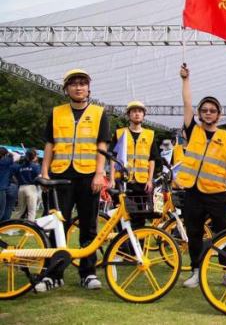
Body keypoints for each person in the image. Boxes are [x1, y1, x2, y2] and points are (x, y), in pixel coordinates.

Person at [39, 69, 110, 292]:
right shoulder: (56, 112)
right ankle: (52, 274)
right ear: (66, 88)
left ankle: (88, 273)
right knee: (57, 225)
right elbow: (50, 144)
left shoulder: (100, 113)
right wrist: (44, 172)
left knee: (88, 226)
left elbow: (102, 146)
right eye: (74, 84)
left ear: (89, 88)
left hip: (89, 177)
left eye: (83, 83)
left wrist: (100, 173)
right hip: (60, 175)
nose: (79, 87)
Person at [176, 63, 226, 289]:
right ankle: (196, 270)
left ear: (219, 115)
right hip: (193, 191)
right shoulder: (192, 130)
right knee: (193, 233)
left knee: (225, 232)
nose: (208, 113)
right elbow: (186, 104)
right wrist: (185, 80)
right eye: (204, 110)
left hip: (216, 192)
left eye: (212, 111)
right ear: (199, 114)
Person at [109, 101, 160, 229]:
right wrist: (111, 179)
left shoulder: (150, 135)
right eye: (134, 111)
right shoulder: (120, 133)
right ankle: (122, 247)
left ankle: (139, 246)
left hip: (142, 182)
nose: (137, 114)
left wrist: (150, 180)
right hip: (122, 181)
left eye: (140, 111)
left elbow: (152, 159)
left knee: (140, 217)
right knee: (122, 215)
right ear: (128, 115)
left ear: (143, 115)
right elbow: (113, 157)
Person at [11, 149, 41, 222]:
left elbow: (15, 176)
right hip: (31, 188)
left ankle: (11, 229)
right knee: (31, 211)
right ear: (34, 157)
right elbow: (39, 177)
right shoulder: (35, 166)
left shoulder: (20, 167)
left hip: (21, 188)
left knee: (19, 210)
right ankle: (30, 230)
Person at [0, 147, 15, 220]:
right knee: (1, 212)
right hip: (1, 189)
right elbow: (16, 156)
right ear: (5, 155)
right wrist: (10, 153)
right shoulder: (5, 162)